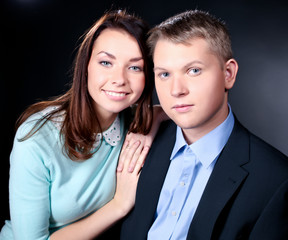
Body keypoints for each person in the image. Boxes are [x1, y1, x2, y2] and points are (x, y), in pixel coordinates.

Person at [120, 9, 288, 240]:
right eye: (165, 74)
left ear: (228, 73)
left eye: (194, 70)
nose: (176, 90)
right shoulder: (138, 147)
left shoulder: (276, 180)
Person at [0, 9, 162, 240]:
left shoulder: (132, 121)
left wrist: (149, 124)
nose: (119, 79)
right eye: (106, 62)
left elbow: (174, 108)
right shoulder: (37, 138)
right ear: (86, 66)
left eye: (135, 67)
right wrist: (119, 205)